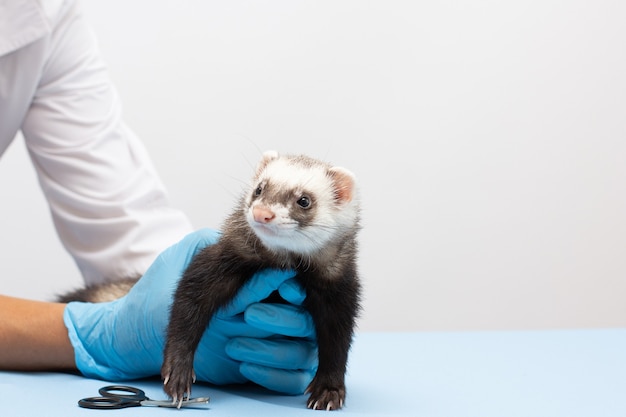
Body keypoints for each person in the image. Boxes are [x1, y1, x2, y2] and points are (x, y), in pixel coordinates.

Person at [0, 0, 317, 395]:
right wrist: (89, 334)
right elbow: (120, 325)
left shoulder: (42, 13)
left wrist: (200, 304)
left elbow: (121, 219)